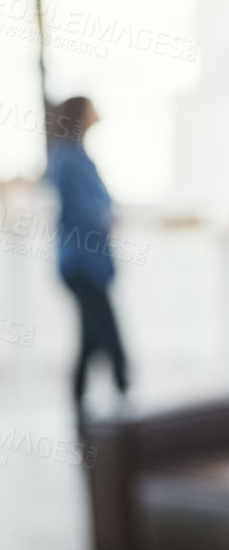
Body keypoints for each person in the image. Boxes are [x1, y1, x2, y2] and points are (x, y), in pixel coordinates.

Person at [43, 96, 129, 417]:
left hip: (89, 263)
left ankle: (79, 409)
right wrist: (104, 216)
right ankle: (126, 402)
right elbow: (84, 211)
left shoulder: (78, 157)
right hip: (82, 264)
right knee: (109, 334)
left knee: (91, 336)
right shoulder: (68, 159)